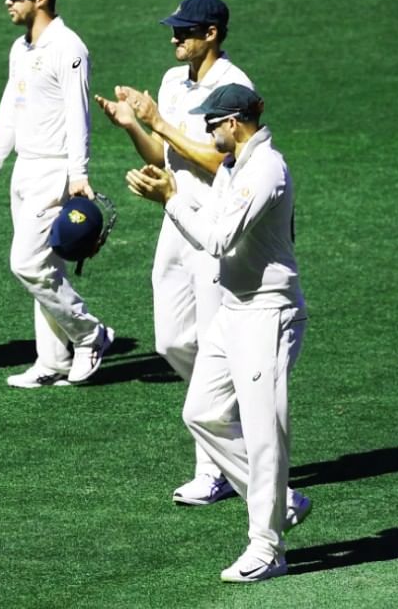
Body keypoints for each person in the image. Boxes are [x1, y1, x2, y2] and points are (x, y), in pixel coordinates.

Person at [126, 84, 311, 583]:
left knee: (263, 432)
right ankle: (280, 501)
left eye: (212, 123)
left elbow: (218, 238)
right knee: (201, 412)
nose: (207, 131)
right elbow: (209, 220)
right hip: (234, 310)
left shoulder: (265, 169)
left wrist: (169, 200)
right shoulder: (232, 168)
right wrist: (171, 193)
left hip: (267, 315)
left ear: (235, 123)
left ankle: (267, 548)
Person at [95, 0, 249, 505]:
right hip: (174, 219)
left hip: (213, 225)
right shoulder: (171, 80)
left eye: (184, 31)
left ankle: (216, 467)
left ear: (211, 34)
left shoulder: (234, 85)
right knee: (172, 341)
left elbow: (219, 160)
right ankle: (232, 423)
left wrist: (159, 121)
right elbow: (164, 154)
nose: (174, 38)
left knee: (208, 342)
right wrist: (133, 126)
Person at [0, 0, 113, 389]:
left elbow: (78, 115)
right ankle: (51, 361)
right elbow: (9, 108)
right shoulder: (21, 48)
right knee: (47, 265)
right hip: (24, 168)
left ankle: (91, 334)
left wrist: (78, 173)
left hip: (54, 169)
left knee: (28, 263)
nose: (8, 2)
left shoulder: (68, 48)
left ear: (41, 0)